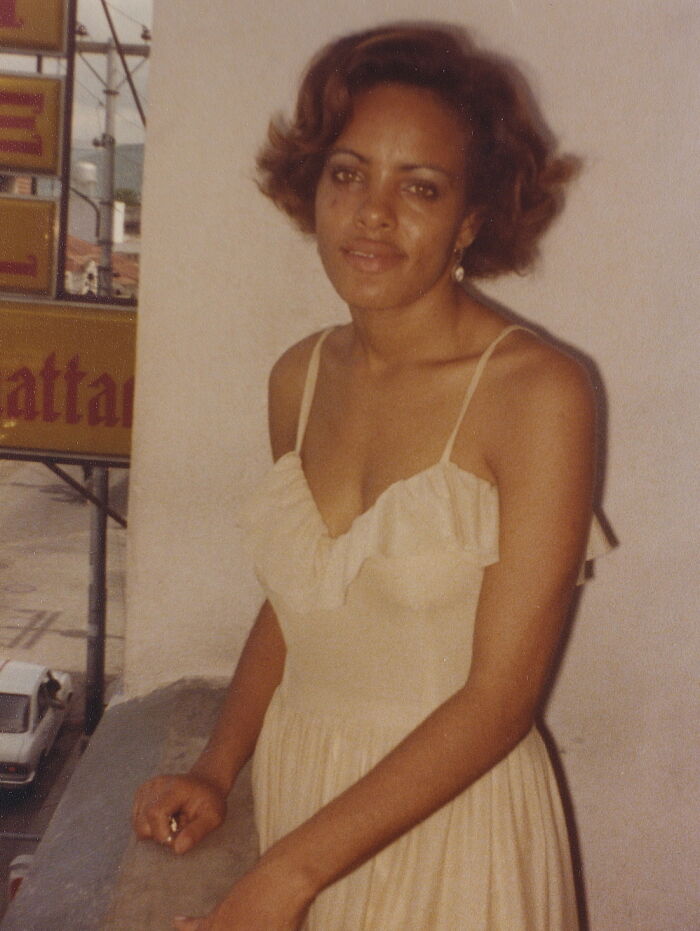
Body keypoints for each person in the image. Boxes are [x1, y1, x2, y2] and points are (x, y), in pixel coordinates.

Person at [132, 24, 610, 930]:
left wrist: (282, 878)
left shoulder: (538, 392)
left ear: (472, 220)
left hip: (452, 823)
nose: (373, 214)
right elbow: (300, 599)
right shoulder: (299, 378)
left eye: (419, 187)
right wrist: (217, 766)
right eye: (348, 174)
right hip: (299, 787)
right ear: (312, 186)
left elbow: (500, 698)